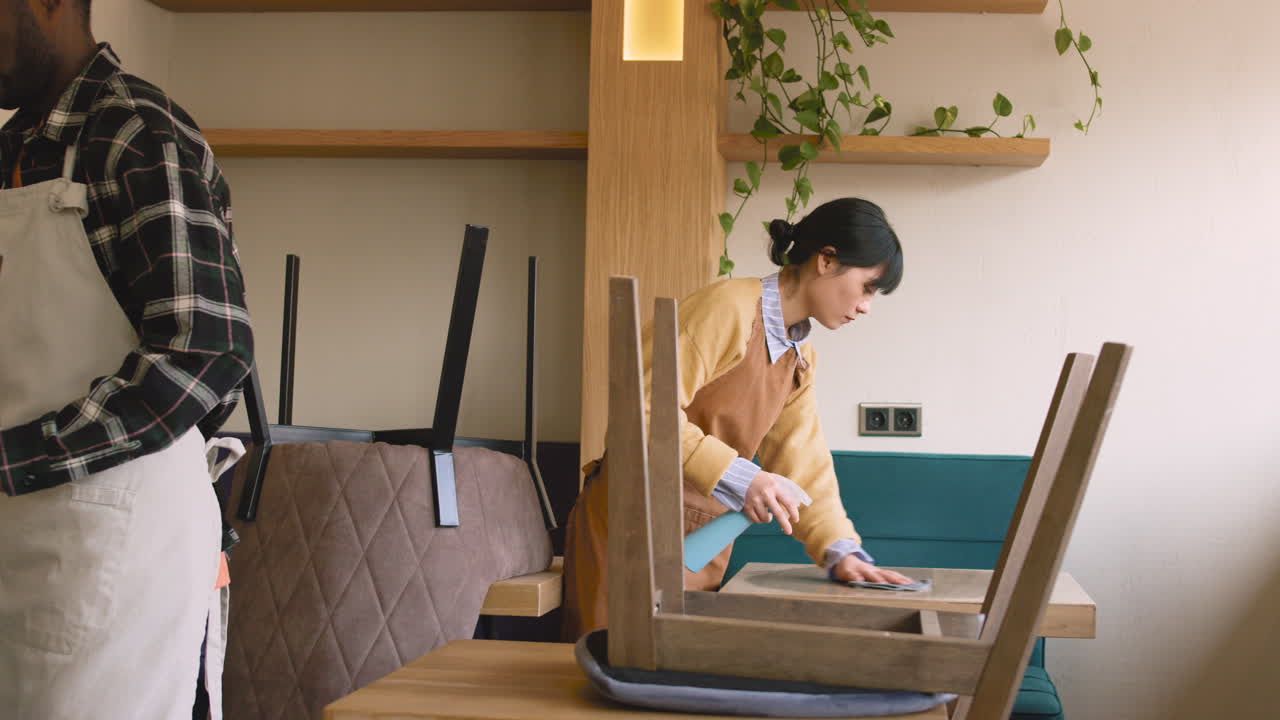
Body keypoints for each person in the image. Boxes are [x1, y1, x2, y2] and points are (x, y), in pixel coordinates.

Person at [0, 1, 253, 717]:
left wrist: (16, 458)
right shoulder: (15, 146)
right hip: (18, 536)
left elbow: (205, 354)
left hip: (110, 554)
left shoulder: (135, 132)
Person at [562, 197, 913, 640]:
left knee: (669, 688)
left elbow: (803, 461)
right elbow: (640, 416)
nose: (866, 306)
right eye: (867, 286)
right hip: (631, 528)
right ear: (826, 260)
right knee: (607, 677)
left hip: (699, 544)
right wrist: (742, 477)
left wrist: (839, 549)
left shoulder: (800, 354)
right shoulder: (726, 308)